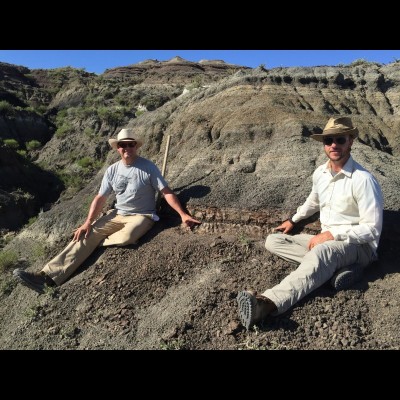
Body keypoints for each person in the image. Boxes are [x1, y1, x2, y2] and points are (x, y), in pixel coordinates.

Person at [237, 117, 384, 330]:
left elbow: (371, 229)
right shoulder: (321, 174)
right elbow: (313, 202)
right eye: (328, 140)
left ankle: (266, 304)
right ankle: (334, 271)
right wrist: (293, 220)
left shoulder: (363, 180)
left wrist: (333, 235)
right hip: (328, 244)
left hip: (360, 247)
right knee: (273, 241)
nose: (334, 145)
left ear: (350, 141)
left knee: (321, 254)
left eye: (340, 139)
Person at [13, 128, 201, 293]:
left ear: (136, 146)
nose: (126, 148)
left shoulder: (148, 168)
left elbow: (166, 192)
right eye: (122, 145)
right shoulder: (112, 170)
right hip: (118, 214)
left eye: (130, 144)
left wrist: (183, 215)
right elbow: (100, 198)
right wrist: (88, 222)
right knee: (84, 235)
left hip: (142, 215)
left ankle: (95, 242)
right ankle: (46, 278)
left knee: (129, 237)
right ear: (117, 148)